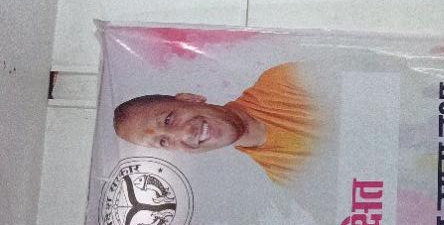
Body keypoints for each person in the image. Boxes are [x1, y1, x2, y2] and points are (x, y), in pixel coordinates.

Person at [113, 62, 320, 185]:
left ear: (191, 98)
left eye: (169, 119)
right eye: (163, 142)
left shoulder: (284, 81)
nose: (186, 134)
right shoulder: (283, 174)